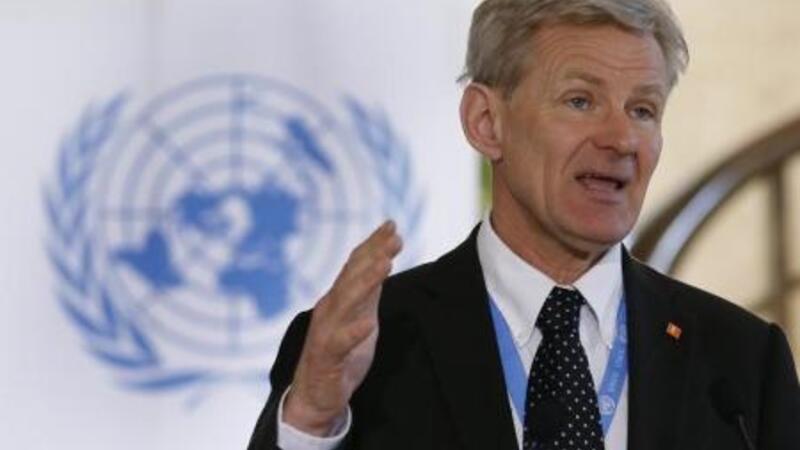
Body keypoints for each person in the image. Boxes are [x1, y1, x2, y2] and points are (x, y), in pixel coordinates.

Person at [248, 0, 800, 448]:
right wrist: (313, 421)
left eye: (642, 110)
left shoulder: (743, 362)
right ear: (486, 122)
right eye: (581, 101)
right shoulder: (371, 348)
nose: (621, 139)